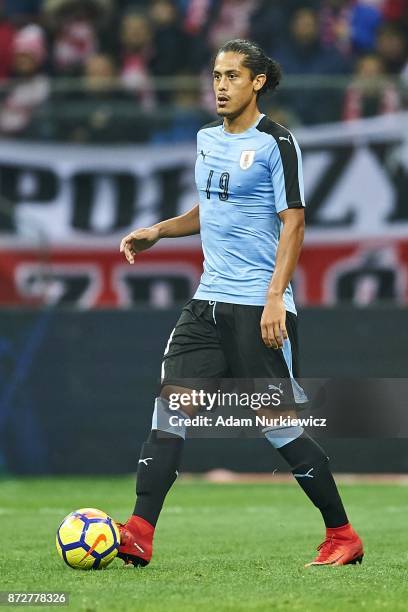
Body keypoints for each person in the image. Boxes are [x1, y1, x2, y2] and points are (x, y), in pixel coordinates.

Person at [118, 39, 364, 568]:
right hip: (207, 303)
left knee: (279, 427)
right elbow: (209, 207)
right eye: (215, 76)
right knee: (170, 409)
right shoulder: (206, 139)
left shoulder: (278, 142)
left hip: (259, 307)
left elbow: (293, 222)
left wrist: (276, 298)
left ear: (257, 82)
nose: (221, 86)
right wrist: (160, 230)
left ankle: (343, 535)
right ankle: (139, 532)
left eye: (232, 76)